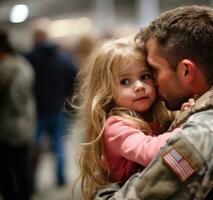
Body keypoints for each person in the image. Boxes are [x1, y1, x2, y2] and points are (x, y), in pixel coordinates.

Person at [93, 5, 213, 200]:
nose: (153, 83)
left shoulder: (196, 137)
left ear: (186, 71)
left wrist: (101, 192)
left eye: (153, 71)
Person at [73, 37, 195, 200]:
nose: (139, 86)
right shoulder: (115, 126)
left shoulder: (154, 115)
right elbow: (150, 151)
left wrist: (184, 117)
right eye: (125, 81)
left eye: (145, 77)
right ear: (107, 91)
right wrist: (189, 127)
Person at [26, 27, 77, 189]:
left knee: (34, 147)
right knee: (59, 145)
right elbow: (74, 80)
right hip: (58, 108)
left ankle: (30, 182)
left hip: (36, 111)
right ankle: (60, 178)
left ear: (35, 38)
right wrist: (67, 99)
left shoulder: (29, 59)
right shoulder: (62, 58)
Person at [0, 30, 36, 200]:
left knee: (5, 172)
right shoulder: (24, 65)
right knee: (22, 169)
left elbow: (14, 102)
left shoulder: (3, 69)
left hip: (4, 130)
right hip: (25, 126)